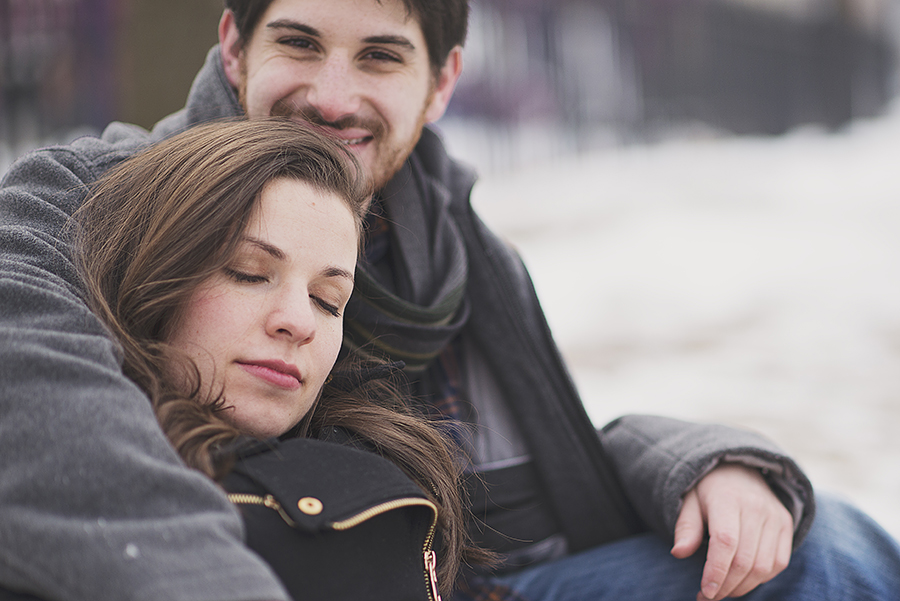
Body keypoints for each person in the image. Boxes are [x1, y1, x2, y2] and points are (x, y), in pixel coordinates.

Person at [0, 1, 897, 600]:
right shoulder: (102, 196)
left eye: (381, 57)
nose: (331, 95)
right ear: (234, 46)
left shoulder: (457, 258)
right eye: (301, 42)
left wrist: (694, 461)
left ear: (441, 84)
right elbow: (28, 394)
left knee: (833, 550)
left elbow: (545, 496)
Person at [69, 116, 485, 599]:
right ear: (151, 273)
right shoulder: (53, 473)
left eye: (328, 300)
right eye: (249, 273)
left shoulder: (390, 467)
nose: (299, 322)